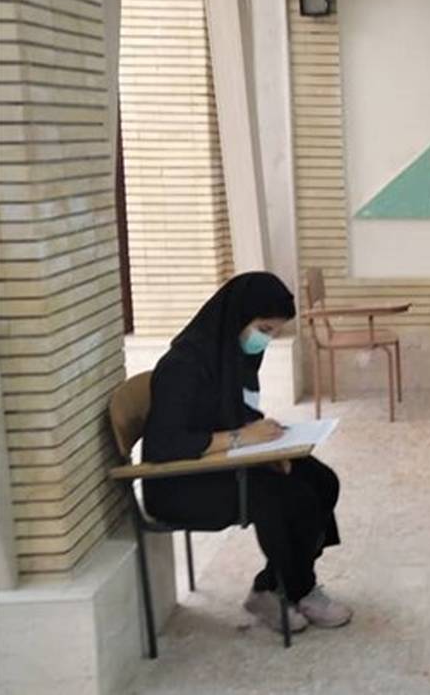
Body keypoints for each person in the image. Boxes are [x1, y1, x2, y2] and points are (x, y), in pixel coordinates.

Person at [141, 272, 351, 634]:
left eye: (272, 333)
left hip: (219, 464)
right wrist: (241, 438)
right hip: (178, 483)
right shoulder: (184, 365)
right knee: (282, 496)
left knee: (319, 479)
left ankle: (274, 585)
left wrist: (269, 445)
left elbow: (237, 414)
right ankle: (293, 589)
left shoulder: (232, 357)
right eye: (263, 329)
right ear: (238, 318)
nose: (264, 340)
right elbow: (166, 445)